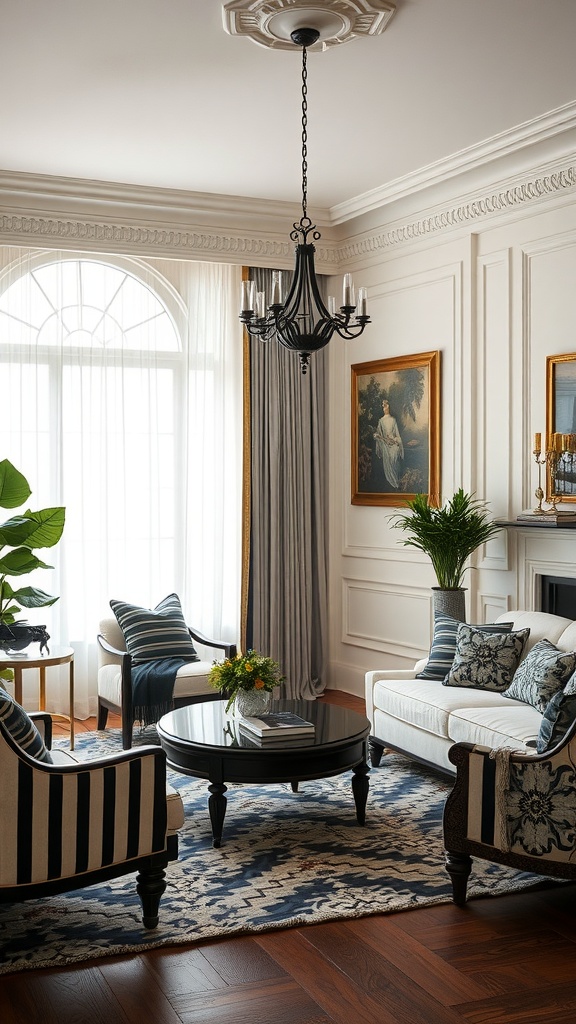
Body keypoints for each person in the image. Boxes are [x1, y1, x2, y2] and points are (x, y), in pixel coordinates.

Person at [374, 398, 404, 488]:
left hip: (392, 442)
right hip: (385, 444)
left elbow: (397, 435)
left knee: (395, 450)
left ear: (389, 406)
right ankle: (392, 479)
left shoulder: (393, 420)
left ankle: (396, 478)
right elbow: (378, 433)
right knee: (388, 454)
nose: (385, 408)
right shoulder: (381, 421)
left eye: (386, 405)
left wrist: (394, 439)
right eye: (383, 406)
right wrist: (378, 436)